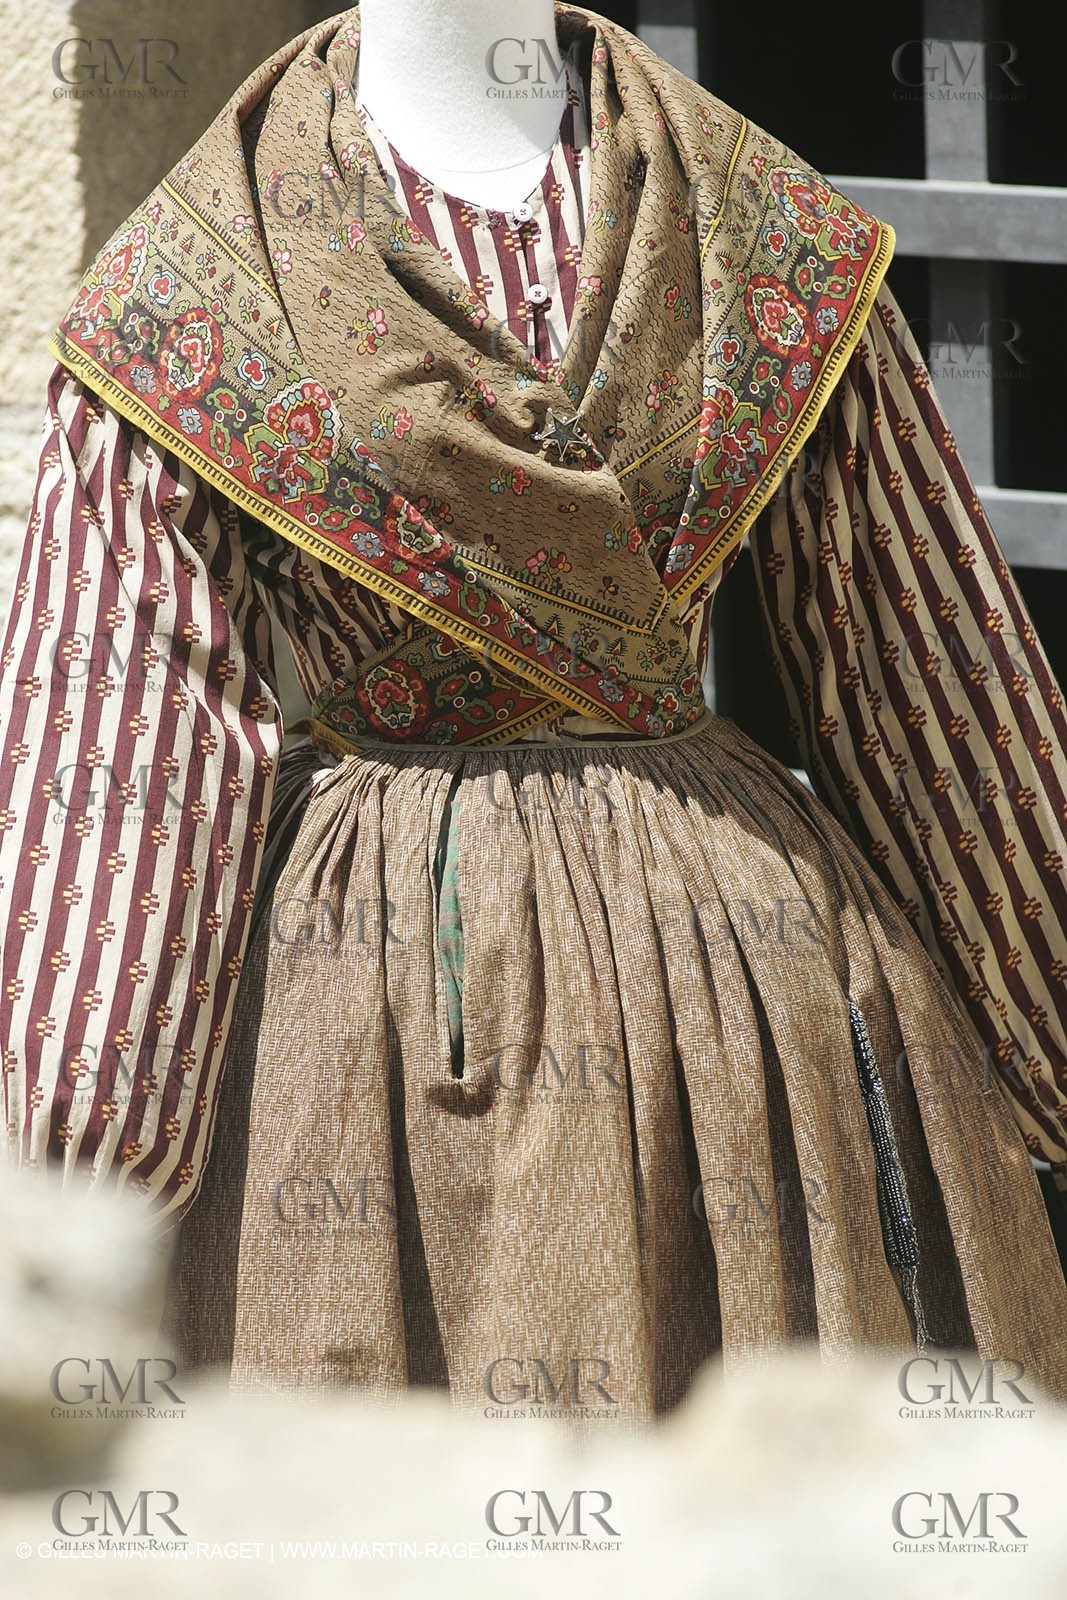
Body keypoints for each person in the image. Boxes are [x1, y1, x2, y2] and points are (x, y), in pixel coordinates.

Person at [3, 2, 1067, 1419]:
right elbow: (125, 764)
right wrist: (70, 1183)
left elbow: (937, 685)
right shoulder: (200, 283)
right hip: (411, 1007)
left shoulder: (766, 228)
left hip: (743, 1009)